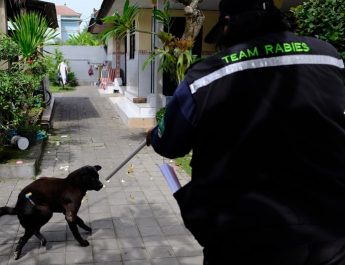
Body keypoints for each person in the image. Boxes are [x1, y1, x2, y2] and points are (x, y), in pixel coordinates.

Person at [146, 0, 345, 264]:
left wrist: (155, 135)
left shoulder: (206, 76)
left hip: (245, 235)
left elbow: (170, 144)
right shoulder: (328, 56)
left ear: (228, 24)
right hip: (328, 226)